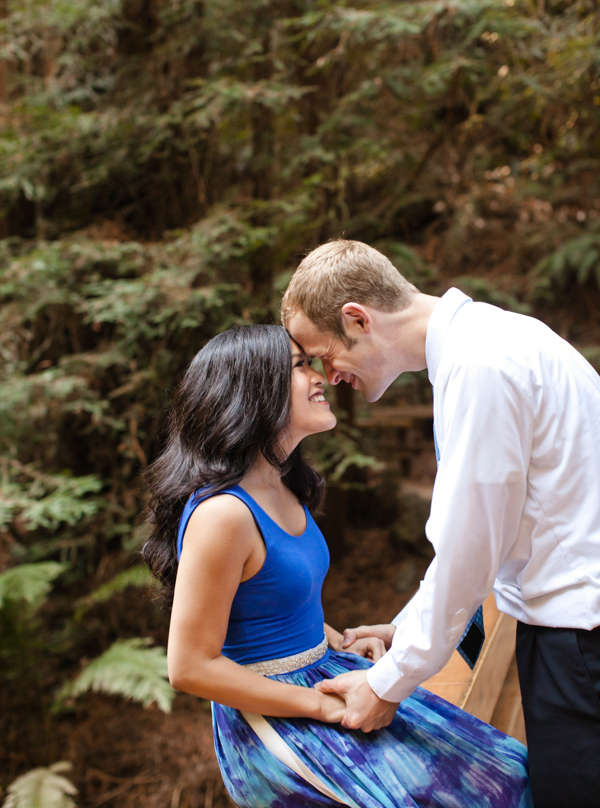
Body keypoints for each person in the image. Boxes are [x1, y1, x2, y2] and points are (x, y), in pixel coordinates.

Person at [143, 324, 531, 808]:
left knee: (507, 772)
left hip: (324, 675)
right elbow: (189, 666)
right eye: (300, 366)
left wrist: (339, 639)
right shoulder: (222, 514)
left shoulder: (282, 485)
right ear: (252, 390)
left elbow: (272, 602)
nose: (320, 374)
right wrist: (318, 705)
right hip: (276, 721)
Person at [281, 239, 600, 808]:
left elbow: (469, 552)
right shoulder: (493, 339)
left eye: (320, 354)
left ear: (358, 318)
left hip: (580, 639)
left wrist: (387, 683)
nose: (326, 376)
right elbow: (486, 536)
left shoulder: (482, 367)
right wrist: (403, 628)